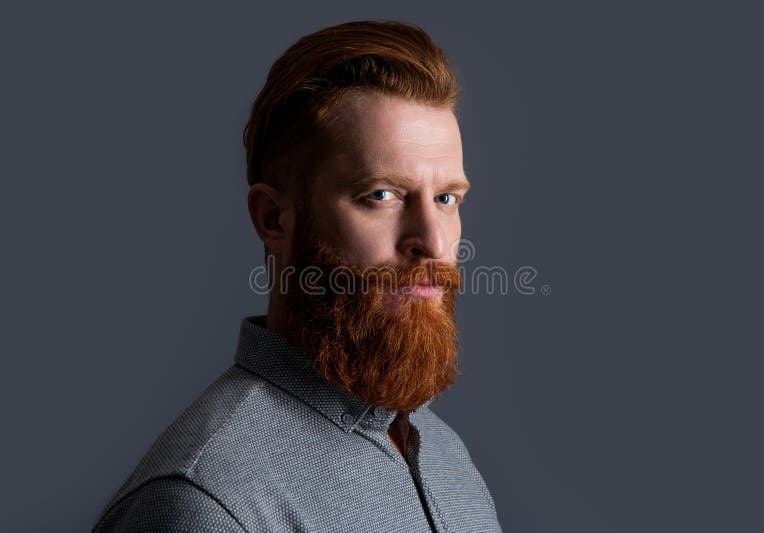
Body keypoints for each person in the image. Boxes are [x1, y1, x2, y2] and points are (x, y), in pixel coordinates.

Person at [93, 19, 502, 532]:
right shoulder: (207, 503)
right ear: (273, 219)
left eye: (446, 198)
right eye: (381, 195)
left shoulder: (443, 453)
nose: (434, 243)